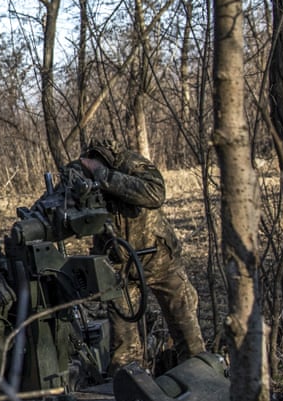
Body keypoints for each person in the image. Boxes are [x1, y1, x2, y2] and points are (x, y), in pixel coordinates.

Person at [70, 138, 206, 373]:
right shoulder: (78, 174)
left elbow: (155, 194)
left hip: (160, 259)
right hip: (119, 268)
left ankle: (202, 385)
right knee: (125, 351)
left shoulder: (131, 164)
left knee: (187, 332)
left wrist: (103, 176)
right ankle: (133, 396)